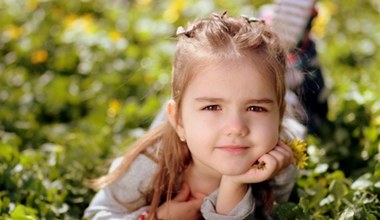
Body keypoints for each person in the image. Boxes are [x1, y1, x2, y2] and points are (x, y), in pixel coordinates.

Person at [84, 12, 300, 220]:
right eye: (213, 107)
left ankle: (298, 52)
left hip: (285, 111)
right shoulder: (148, 164)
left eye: (255, 108)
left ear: (278, 116)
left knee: (299, 98)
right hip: (179, 130)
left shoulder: (278, 166)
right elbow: (97, 214)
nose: (236, 127)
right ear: (178, 121)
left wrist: (234, 183)